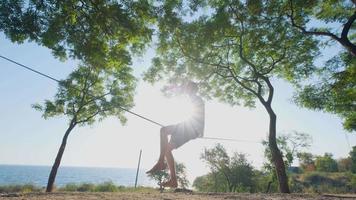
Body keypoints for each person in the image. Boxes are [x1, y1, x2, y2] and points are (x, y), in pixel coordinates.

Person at [146, 81, 205, 188]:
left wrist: (200, 131)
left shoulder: (196, 99)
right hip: (187, 127)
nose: (186, 90)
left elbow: (199, 115)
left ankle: (160, 162)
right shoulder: (192, 99)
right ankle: (173, 181)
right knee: (167, 149)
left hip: (190, 128)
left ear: (193, 89)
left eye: (188, 88)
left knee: (163, 130)